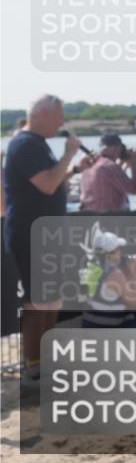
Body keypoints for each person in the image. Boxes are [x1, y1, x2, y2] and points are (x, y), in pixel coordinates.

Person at [1, 95, 81, 378]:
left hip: (48, 234)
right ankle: (35, 366)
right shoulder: (24, 144)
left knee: (53, 298)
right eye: (59, 116)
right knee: (37, 301)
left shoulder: (37, 144)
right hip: (31, 235)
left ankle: (46, 359)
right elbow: (47, 185)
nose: (62, 123)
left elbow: (49, 181)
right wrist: (69, 153)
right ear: (42, 115)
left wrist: (71, 170)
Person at [79, 133, 136, 213]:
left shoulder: (88, 163)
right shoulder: (110, 166)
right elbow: (135, 190)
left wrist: (123, 164)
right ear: (116, 148)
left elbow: (110, 183)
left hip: (88, 217)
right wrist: (133, 164)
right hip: (111, 220)